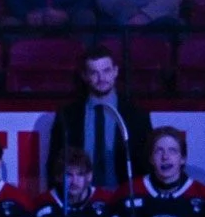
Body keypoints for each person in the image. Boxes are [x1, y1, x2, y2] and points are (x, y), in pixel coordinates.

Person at [48, 46, 152, 192]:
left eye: (106, 71)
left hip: (124, 199)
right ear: (84, 76)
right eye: (94, 73)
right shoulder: (67, 115)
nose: (101, 78)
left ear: (115, 71)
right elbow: (55, 163)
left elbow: (146, 163)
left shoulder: (136, 115)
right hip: (80, 200)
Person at [32, 148, 115, 217]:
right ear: (58, 177)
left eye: (80, 174)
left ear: (89, 176)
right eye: (69, 175)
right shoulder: (43, 203)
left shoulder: (107, 201)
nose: (74, 181)